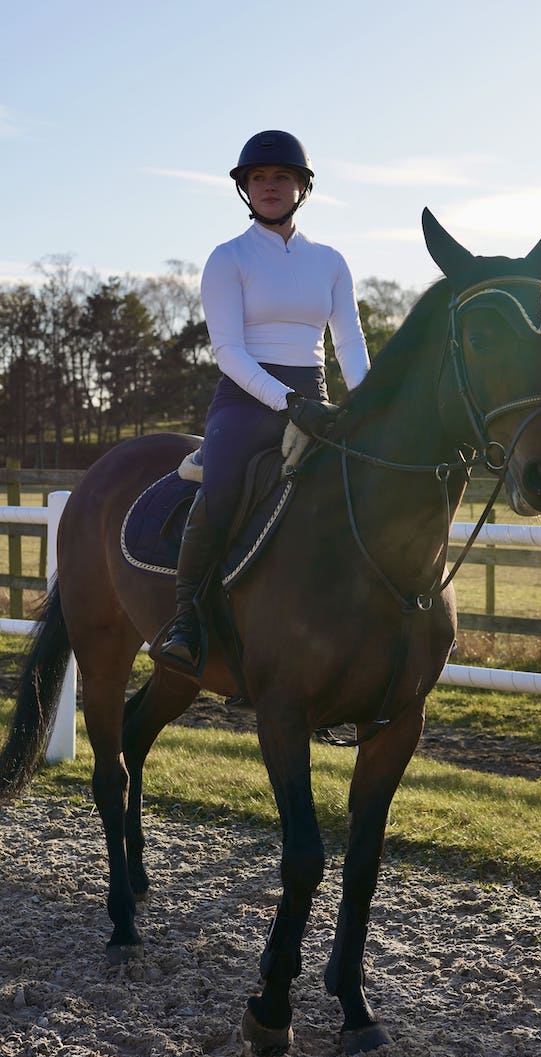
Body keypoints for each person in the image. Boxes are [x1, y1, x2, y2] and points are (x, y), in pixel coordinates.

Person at [159, 130, 371, 674]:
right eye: (259, 178)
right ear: (246, 189)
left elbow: (348, 342)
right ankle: (186, 617)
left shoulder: (329, 261)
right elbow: (228, 351)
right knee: (222, 486)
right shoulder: (228, 258)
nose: (270, 187)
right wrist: (286, 401)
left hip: (315, 398)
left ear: (302, 187)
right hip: (246, 400)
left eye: (282, 178)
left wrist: (367, 405)